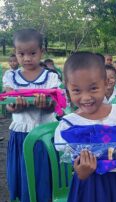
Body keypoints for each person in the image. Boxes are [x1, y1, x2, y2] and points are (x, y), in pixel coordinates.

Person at [54, 52, 116, 202]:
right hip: (89, 189)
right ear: (67, 90)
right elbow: (73, 163)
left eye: (93, 88)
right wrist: (81, 172)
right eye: (77, 90)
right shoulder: (68, 125)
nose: (86, 97)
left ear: (106, 83)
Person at [3, 28, 61, 201]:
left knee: (44, 175)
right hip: (21, 134)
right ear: (15, 53)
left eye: (32, 53)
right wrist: (15, 107)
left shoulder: (50, 77)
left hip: (44, 135)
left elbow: (54, 106)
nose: (27, 58)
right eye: (21, 54)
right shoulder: (11, 77)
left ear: (41, 52)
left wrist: (47, 106)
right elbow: (9, 105)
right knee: (24, 174)